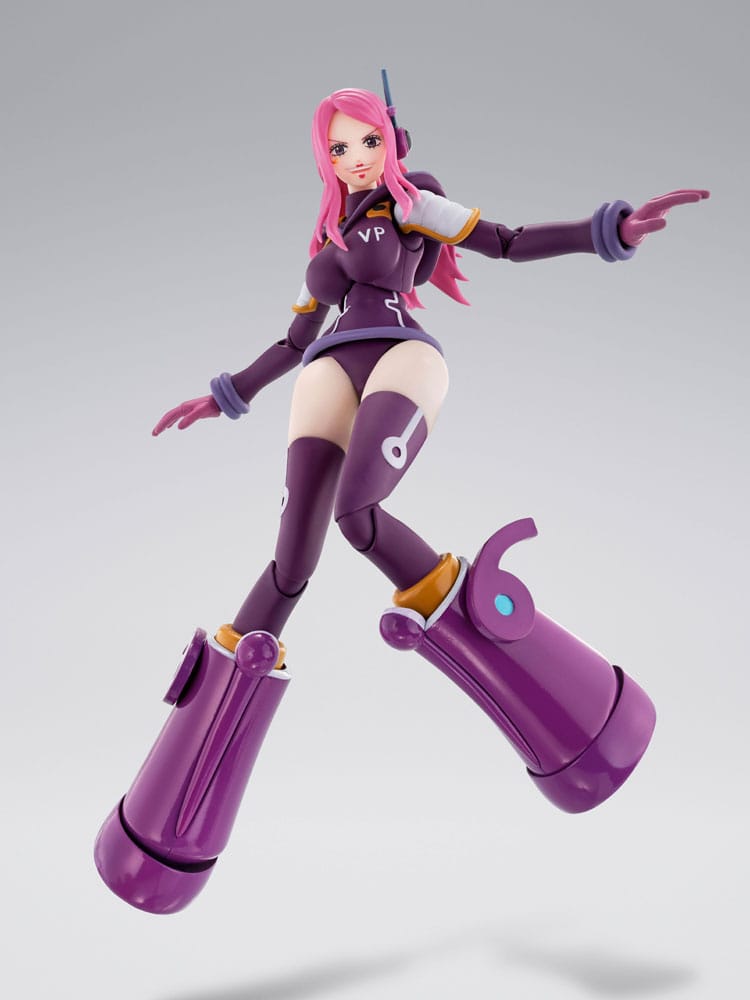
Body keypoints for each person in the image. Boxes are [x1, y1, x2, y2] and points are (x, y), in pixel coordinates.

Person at [94, 82, 708, 915]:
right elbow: (296, 336)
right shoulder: (326, 234)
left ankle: (569, 705)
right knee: (289, 565)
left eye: (367, 142)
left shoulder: (415, 203)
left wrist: (610, 231)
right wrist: (226, 395)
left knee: (360, 517)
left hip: (400, 354)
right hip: (326, 369)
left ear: (392, 140)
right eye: (338, 149)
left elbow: (506, 240)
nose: (354, 159)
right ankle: (164, 829)